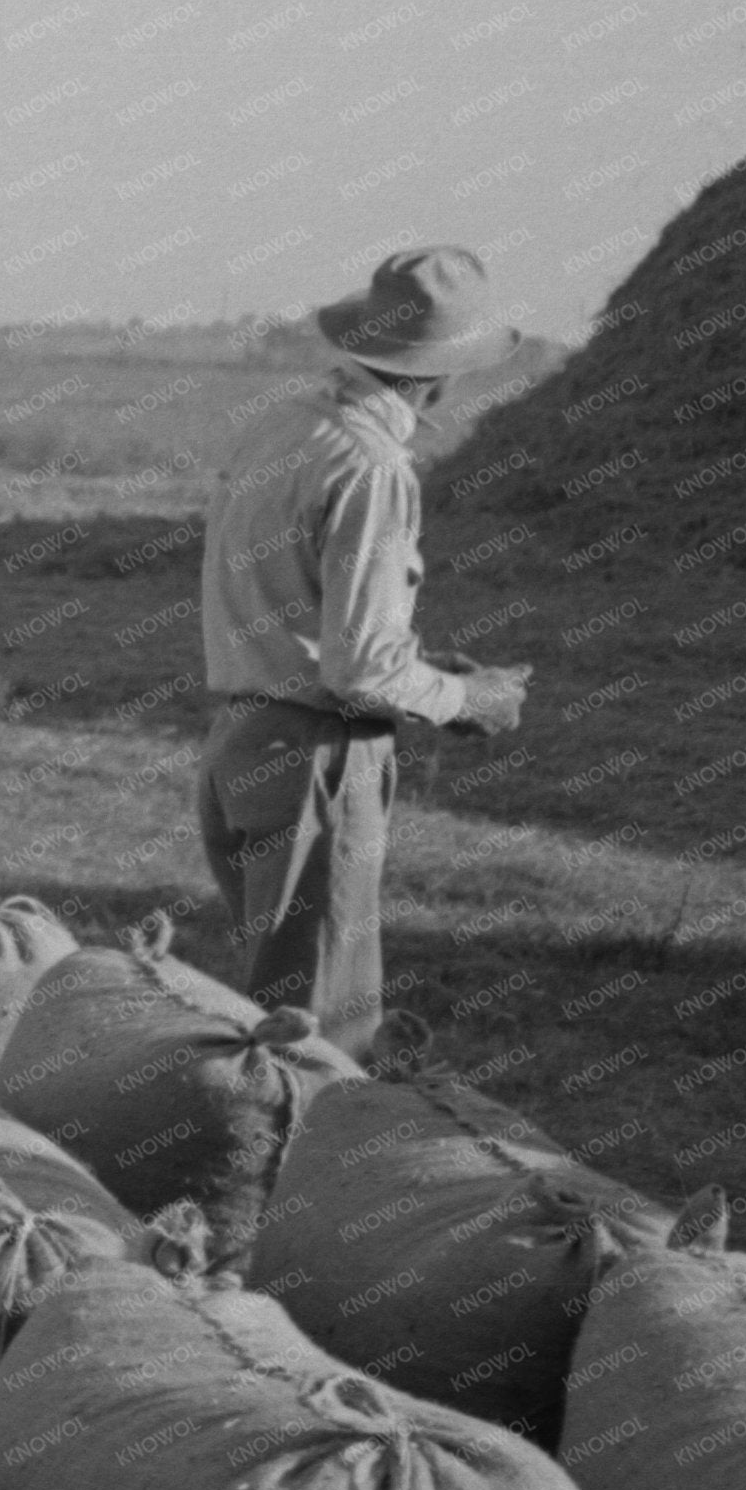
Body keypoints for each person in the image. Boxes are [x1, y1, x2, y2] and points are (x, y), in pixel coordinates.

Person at [194, 244, 531, 1060]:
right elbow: (360, 669)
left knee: (271, 1002)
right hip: (319, 757)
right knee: (318, 1025)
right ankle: (315, 1179)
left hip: (243, 741)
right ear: (441, 374)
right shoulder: (375, 468)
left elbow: (318, 623)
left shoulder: (286, 426)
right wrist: (468, 700)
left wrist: (416, 666)